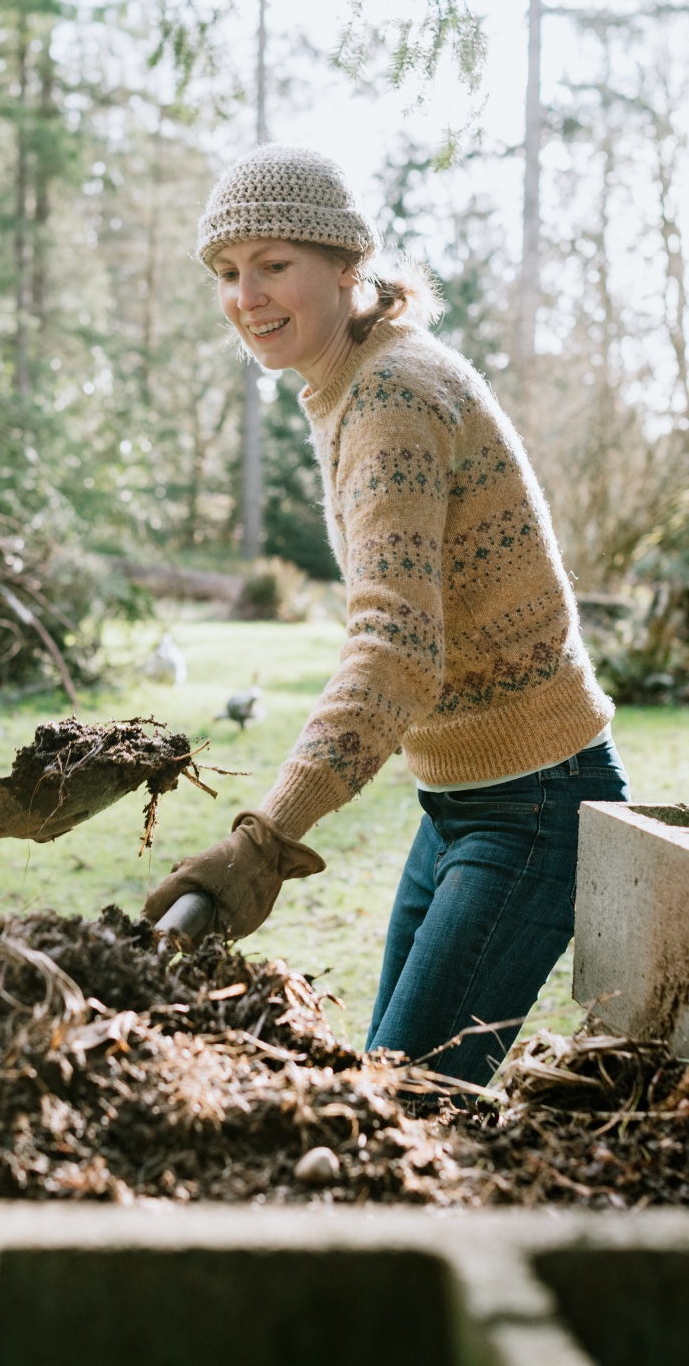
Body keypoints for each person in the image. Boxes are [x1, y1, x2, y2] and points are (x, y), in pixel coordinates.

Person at [144, 145, 628, 1086]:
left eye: (274, 265)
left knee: (406, 1107)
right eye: (229, 273)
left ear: (346, 265)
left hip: (532, 805)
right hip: (465, 800)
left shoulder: (390, 397)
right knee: (389, 1092)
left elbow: (395, 645)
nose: (248, 296)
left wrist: (266, 838)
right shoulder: (354, 382)